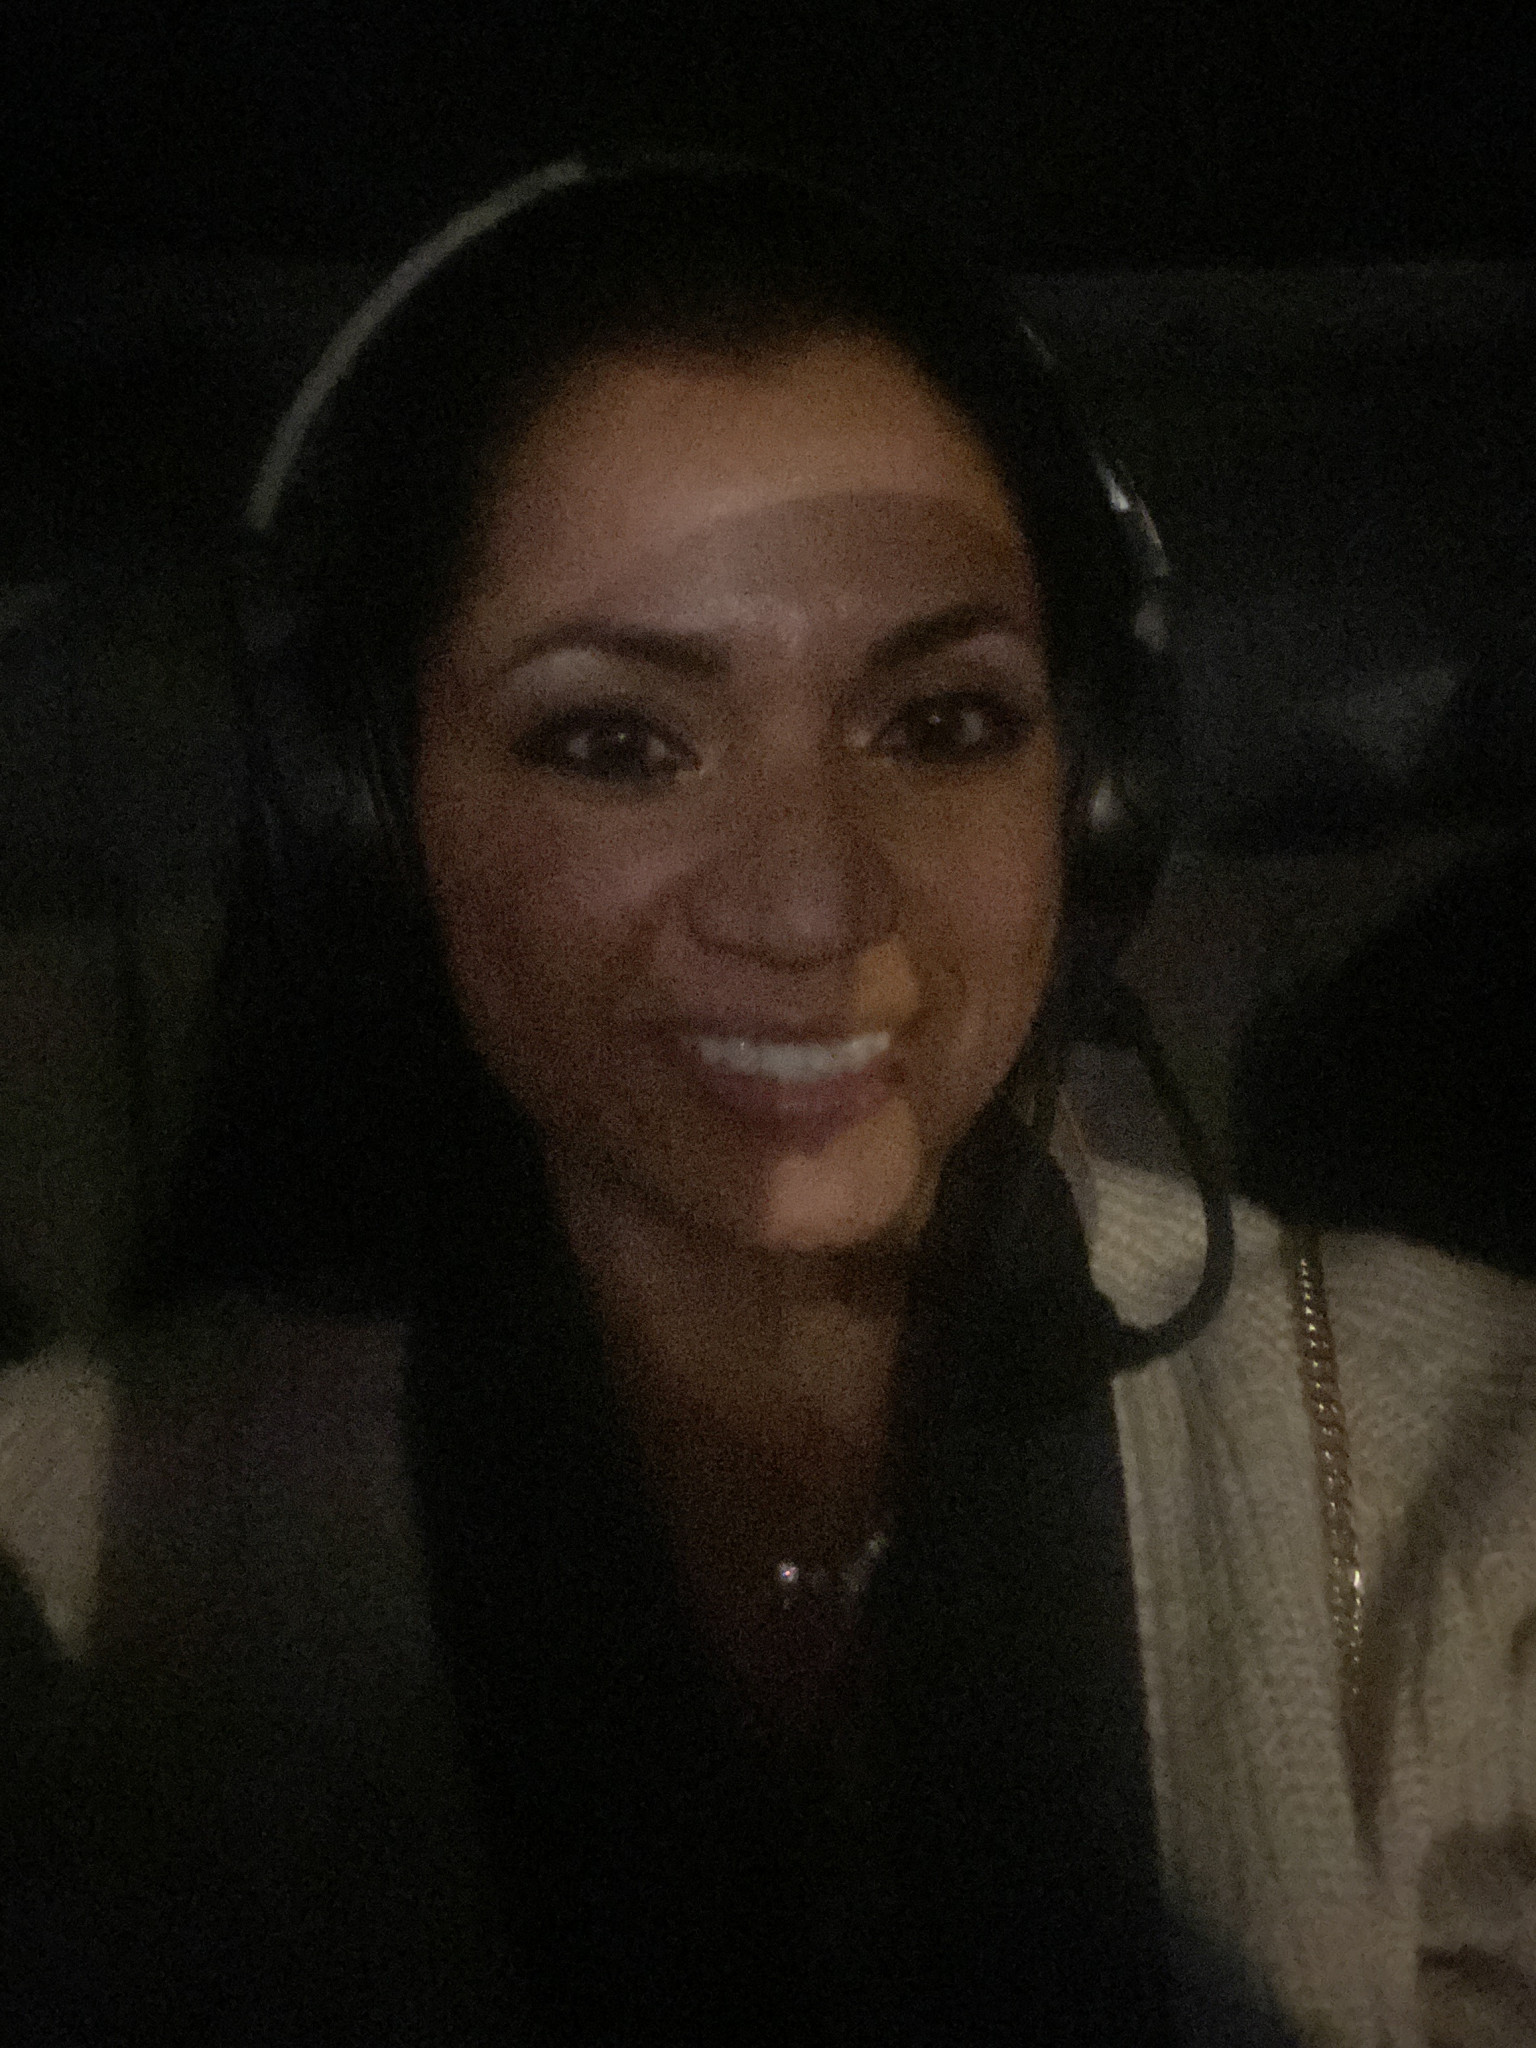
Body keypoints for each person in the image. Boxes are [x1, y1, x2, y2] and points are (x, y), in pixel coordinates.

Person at [2, 155, 1534, 2047]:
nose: (814, 908)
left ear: (1097, 794)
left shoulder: (1472, 1489)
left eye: (944, 722)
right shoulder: (67, 1556)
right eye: (617, 741)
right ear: (371, 819)